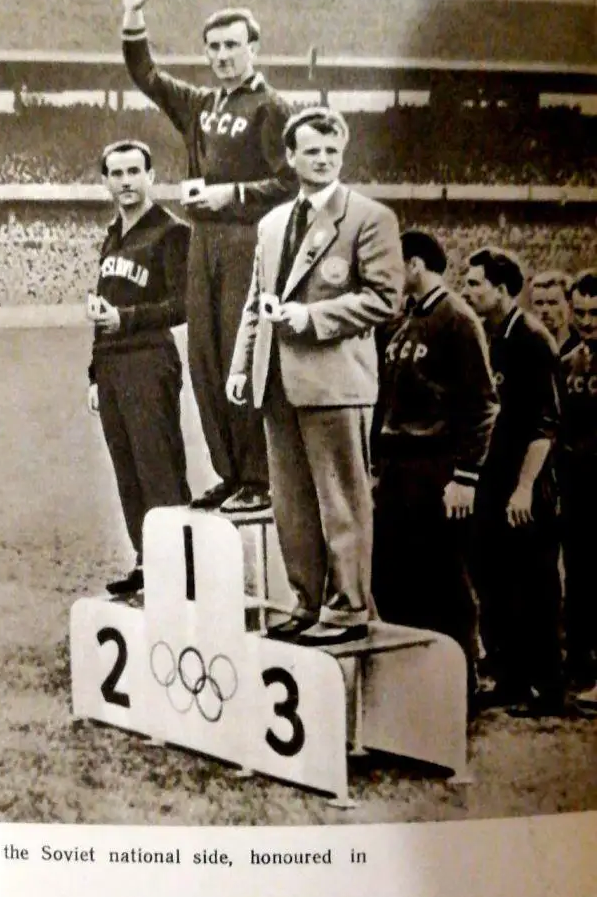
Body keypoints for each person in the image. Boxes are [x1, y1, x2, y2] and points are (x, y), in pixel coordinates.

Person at [119, 0, 294, 515]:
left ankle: (261, 475)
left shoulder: (271, 108)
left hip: (246, 240)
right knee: (205, 358)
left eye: (232, 46)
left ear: (253, 48)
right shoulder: (202, 105)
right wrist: (133, 11)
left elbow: (290, 183)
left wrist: (232, 196)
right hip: (203, 242)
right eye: (214, 47)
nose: (222, 56)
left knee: (240, 353)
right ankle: (230, 471)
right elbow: (145, 73)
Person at [226, 107, 404, 645]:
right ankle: (307, 602)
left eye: (332, 151)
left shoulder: (370, 218)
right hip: (276, 378)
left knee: (342, 500)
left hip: (334, 381)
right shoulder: (273, 222)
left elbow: (385, 298)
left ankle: (348, 608)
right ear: (291, 156)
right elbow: (257, 301)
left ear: (342, 155)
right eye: (312, 150)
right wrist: (241, 363)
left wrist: (311, 319)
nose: (323, 159)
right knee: (292, 502)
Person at [372, 231, 499, 703]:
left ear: (415, 265)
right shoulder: (400, 323)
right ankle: (416, 684)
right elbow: (385, 401)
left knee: (445, 578)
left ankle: (461, 685)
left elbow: (484, 405)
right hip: (396, 468)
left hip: (437, 467)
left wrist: (465, 476)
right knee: (392, 576)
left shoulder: (458, 319)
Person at [462, 247, 566, 716]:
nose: (468, 291)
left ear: (501, 289)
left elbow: (545, 425)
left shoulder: (532, 339)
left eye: (475, 283)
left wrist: (525, 488)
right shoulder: (489, 336)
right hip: (492, 483)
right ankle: (509, 678)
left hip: (526, 485)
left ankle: (546, 686)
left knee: (536, 585)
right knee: (495, 582)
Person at [87, 141, 191, 596]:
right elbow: (102, 308)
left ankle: (183, 569)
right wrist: (94, 372)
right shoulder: (113, 235)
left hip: (149, 360)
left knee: (158, 467)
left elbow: (183, 304)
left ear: (151, 175)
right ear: (106, 180)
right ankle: (148, 562)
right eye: (116, 173)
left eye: (134, 171)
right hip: (112, 366)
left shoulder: (170, 232)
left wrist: (126, 320)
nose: (126, 181)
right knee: (127, 468)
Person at [557, 269, 597, 710]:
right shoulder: (570, 361)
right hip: (578, 487)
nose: (587, 320)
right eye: (580, 311)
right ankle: (581, 664)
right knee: (581, 576)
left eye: (595, 313)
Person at [529, 270, 579, 356]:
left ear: (569, 306)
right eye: (539, 303)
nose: (544, 310)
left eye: (552, 303)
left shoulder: (581, 346)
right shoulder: (523, 349)